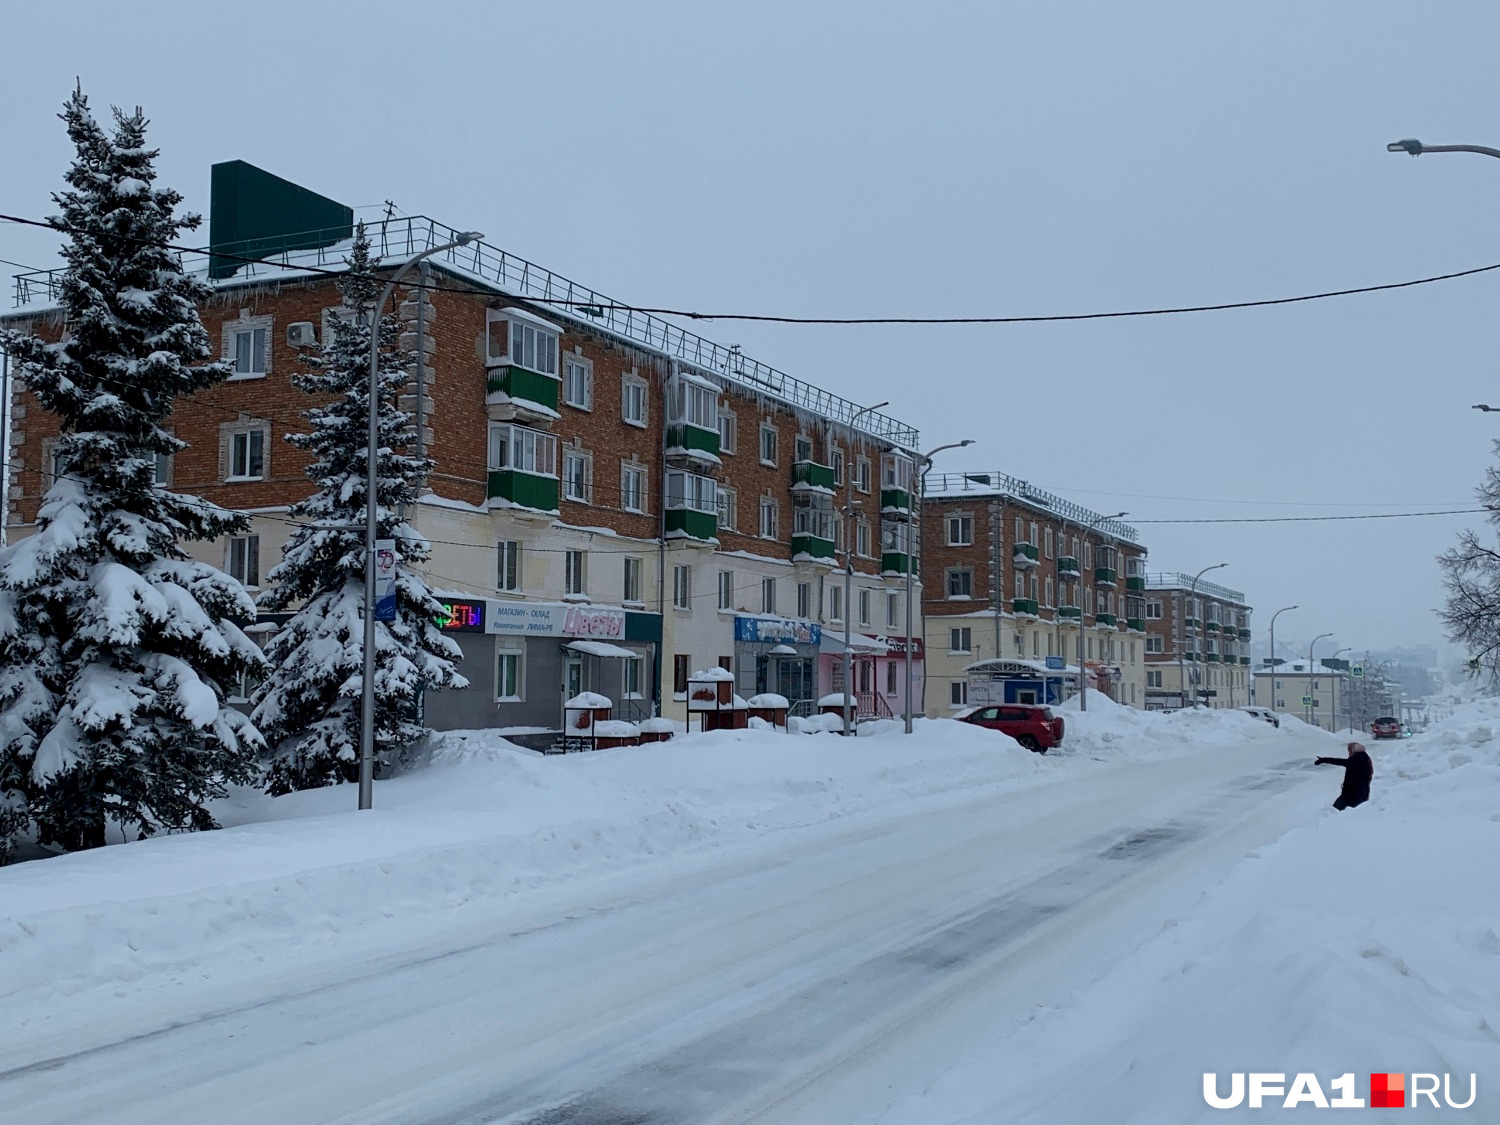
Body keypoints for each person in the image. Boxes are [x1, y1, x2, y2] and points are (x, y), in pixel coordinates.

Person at [1315, 741, 1373, 810]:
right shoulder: (1363, 758)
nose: (1349, 752)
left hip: (1354, 794)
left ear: (1354, 749)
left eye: (1349, 750)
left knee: (1336, 812)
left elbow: (1340, 761)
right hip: (1359, 792)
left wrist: (1324, 760)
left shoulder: (1357, 759)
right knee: (1337, 811)